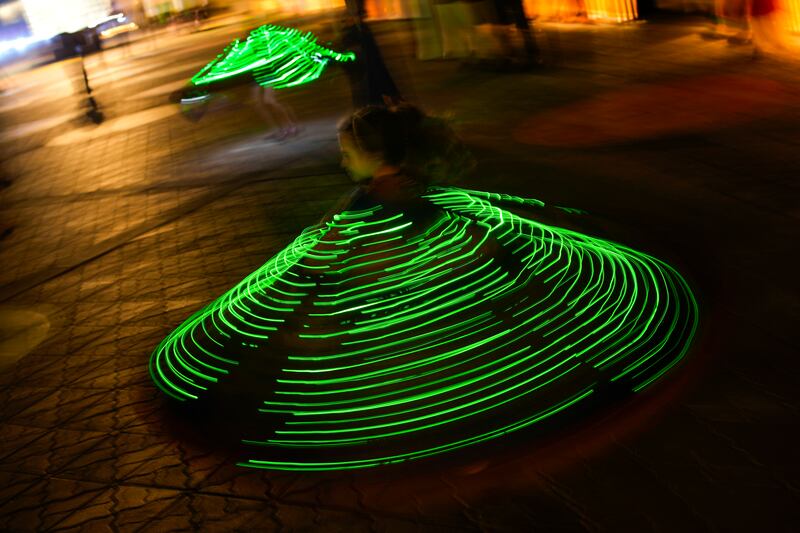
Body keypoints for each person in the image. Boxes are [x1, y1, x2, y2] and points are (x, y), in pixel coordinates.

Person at [150, 105, 697, 471]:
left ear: (376, 155)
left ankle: (255, 413)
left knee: (317, 360)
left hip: (427, 309)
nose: (341, 159)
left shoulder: (374, 204)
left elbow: (370, 256)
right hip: (461, 298)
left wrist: (331, 275)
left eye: (348, 151)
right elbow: (465, 238)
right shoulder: (417, 189)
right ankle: (592, 376)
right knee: (528, 339)